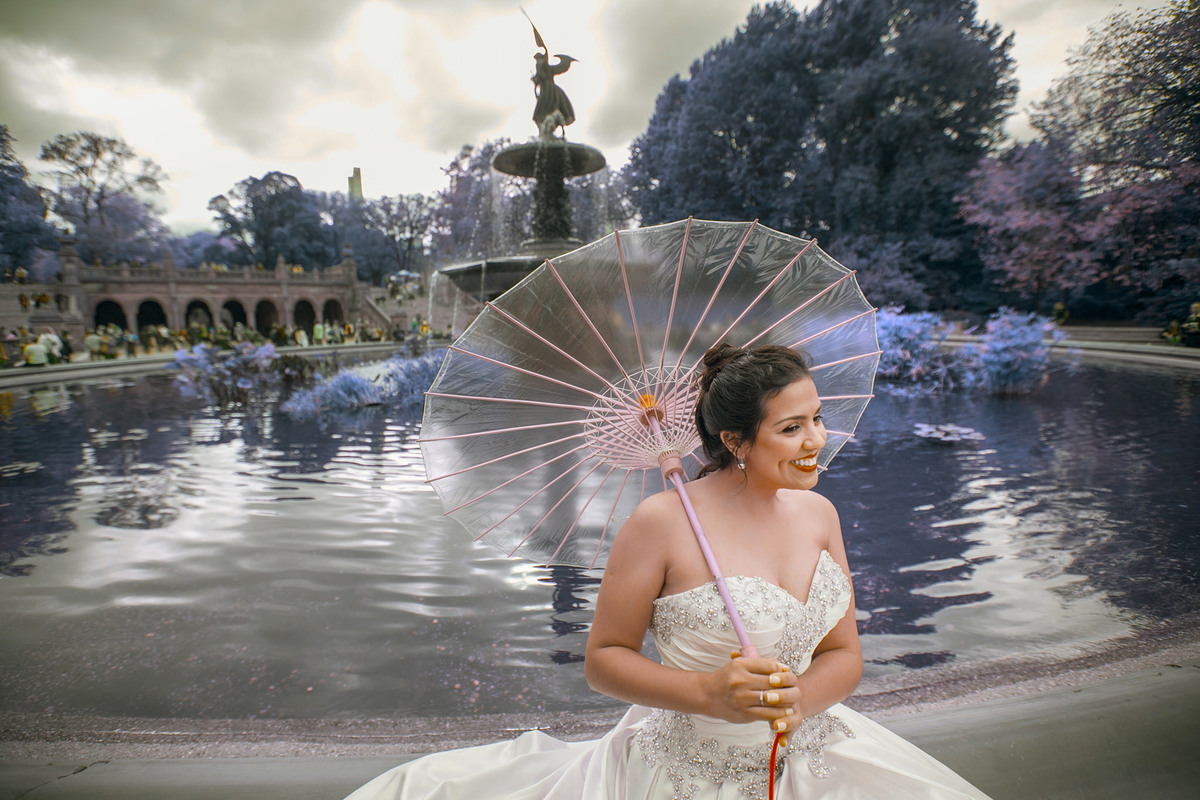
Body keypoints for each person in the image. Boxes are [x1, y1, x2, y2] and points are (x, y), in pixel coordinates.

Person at [343, 343, 992, 800]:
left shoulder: (820, 514)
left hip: (817, 749)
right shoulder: (661, 522)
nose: (816, 440)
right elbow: (604, 659)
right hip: (686, 767)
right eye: (791, 428)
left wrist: (803, 702)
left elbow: (844, 654)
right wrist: (709, 693)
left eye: (817, 419)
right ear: (736, 441)